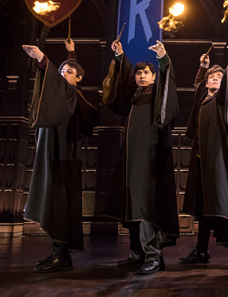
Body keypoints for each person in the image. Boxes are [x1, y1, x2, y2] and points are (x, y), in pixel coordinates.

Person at [101, 39, 180, 275]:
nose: (141, 76)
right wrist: (119, 56)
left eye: (146, 73)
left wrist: (163, 58)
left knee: (146, 207)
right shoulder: (134, 96)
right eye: (138, 73)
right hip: (130, 160)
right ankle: (137, 253)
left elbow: (167, 82)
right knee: (132, 205)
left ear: (154, 77)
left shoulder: (157, 94)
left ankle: (154, 256)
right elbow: (122, 84)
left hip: (150, 160)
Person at [22, 39, 99, 272]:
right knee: (53, 201)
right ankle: (58, 254)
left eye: (70, 71)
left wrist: (42, 59)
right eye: (61, 71)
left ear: (79, 79)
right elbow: (58, 83)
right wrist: (71, 54)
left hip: (64, 158)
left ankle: (61, 255)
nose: (64, 73)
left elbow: (62, 85)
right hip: (52, 158)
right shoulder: (61, 95)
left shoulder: (71, 95)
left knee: (60, 202)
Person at [180, 44, 228, 272]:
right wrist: (203, 68)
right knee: (204, 206)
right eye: (211, 77)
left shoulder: (223, 100)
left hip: (220, 160)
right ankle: (201, 250)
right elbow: (198, 85)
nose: (214, 79)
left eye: (218, 77)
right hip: (202, 162)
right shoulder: (203, 98)